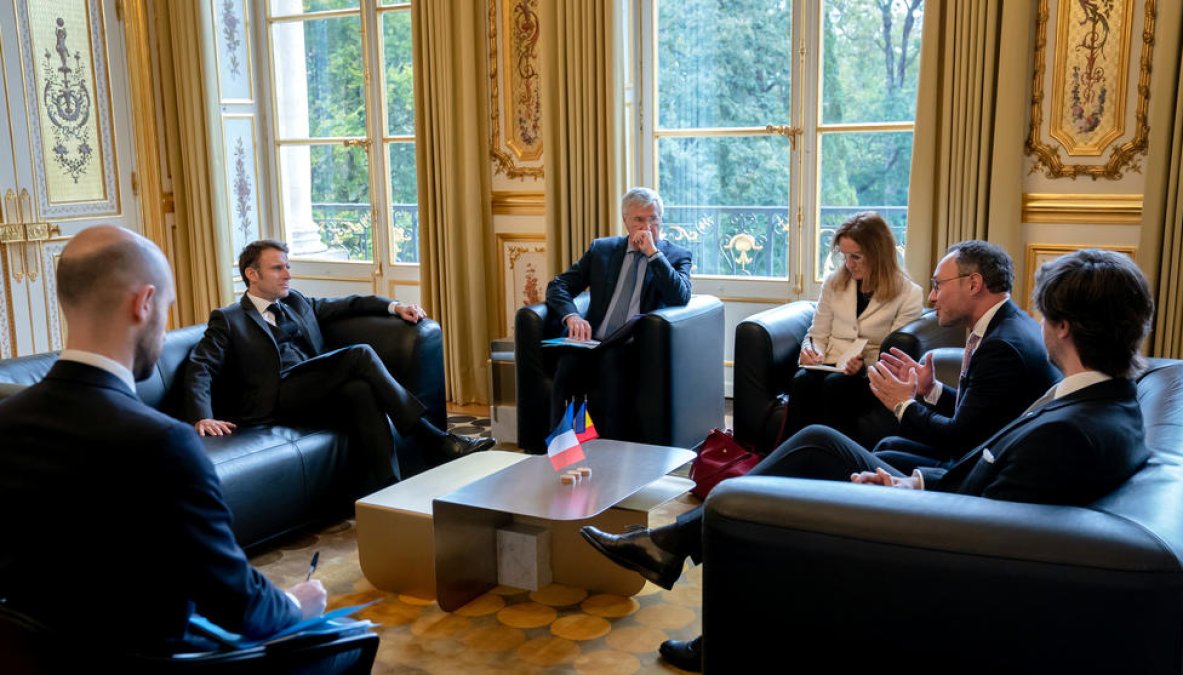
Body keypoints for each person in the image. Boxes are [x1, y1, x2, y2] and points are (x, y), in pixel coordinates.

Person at [581, 248, 1153, 672]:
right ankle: (677, 546)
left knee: (785, 474)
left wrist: (912, 490)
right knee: (817, 443)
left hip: (927, 536)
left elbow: (985, 522)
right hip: (938, 501)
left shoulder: (1074, 431)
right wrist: (917, 472)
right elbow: (992, 462)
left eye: (1047, 313)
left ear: (1064, 327)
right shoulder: (1099, 401)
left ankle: (685, 554)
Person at [0, 226, 326, 657]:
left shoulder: (7, 420)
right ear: (144, 303)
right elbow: (236, 602)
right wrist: (294, 604)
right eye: (166, 308)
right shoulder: (163, 443)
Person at [183, 240, 493, 491]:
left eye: (288, 267)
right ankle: (433, 438)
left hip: (313, 390)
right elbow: (201, 365)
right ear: (252, 274)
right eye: (277, 268)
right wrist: (202, 417)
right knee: (359, 354)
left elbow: (350, 303)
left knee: (361, 391)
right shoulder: (229, 318)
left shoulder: (296, 302)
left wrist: (395, 306)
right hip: (275, 399)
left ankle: (389, 489)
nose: (287, 274)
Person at [865, 240, 1060, 471]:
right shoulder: (1012, 323)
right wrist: (931, 389)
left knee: (823, 440)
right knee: (887, 446)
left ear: (973, 283)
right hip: (981, 451)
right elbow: (979, 414)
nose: (932, 298)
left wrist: (902, 404)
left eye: (938, 285)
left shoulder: (1001, 347)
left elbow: (959, 439)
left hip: (982, 469)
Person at [544, 187, 692, 440]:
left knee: (611, 362)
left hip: (633, 344)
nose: (647, 227)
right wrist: (572, 316)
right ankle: (562, 447)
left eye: (653, 219)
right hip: (593, 340)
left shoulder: (675, 256)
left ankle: (612, 450)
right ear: (625, 221)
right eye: (639, 220)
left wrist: (653, 255)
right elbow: (559, 285)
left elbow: (680, 296)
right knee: (567, 366)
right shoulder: (603, 249)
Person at [779, 212, 924, 444]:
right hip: (829, 365)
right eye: (844, 256)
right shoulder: (834, 283)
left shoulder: (908, 294)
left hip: (870, 374)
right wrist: (811, 350)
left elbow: (894, 353)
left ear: (878, 255)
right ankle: (794, 459)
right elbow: (817, 334)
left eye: (856, 257)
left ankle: (838, 461)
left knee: (836, 388)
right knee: (801, 381)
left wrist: (864, 366)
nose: (848, 264)